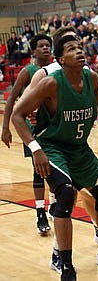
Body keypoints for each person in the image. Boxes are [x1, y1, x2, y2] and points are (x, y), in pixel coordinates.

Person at [12, 35, 98, 280]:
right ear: (60, 59)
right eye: (71, 49)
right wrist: (36, 149)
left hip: (78, 147)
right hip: (52, 146)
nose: (79, 51)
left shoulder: (92, 78)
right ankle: (64, 263)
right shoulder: (50, 83)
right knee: (66, 193)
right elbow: (17, 114)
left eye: (79, 47)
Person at [1, 35, 53, 234]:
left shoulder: (55, 70)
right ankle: (40, 211)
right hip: (32, 129)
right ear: (34, 51)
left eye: (48, 45)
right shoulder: (28, 71)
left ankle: (53, 207)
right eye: (41, 46)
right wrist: (5, 128)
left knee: (56, 170)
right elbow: (12, 98)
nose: (45, 48)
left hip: (52, 127)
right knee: (38, 169)